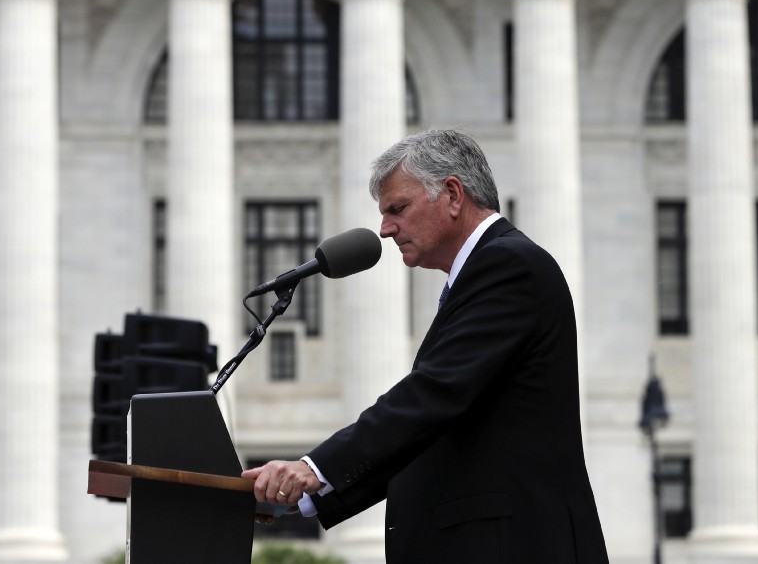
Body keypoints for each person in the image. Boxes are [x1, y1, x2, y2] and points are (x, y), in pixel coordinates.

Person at [242, 128, 609, 563]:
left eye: (398, 208)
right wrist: (305, 494)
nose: (384, 228)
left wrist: (313, 469)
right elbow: (432, 427)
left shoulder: (509, 265)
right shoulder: (483, 273)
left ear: (453, 195)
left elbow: (433, 395)